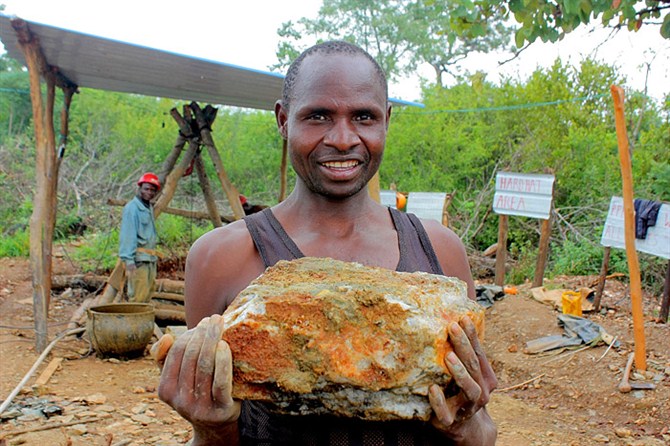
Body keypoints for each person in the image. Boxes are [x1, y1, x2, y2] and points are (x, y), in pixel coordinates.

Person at [158, 41, 497, 445]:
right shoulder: (221, 258)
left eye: (364, 117)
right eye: (318, 116)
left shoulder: (438, 252)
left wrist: (465, 425)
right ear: (284, 120)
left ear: (386, 121)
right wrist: (211, 428)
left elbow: (484, 435)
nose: (342, 138)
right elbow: (211, 433)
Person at [119, 172, 160, 303]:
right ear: (140, 189)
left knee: (148, 294)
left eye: (153, 190)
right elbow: (127, 235)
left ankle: (143, 323)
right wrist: (129, 261)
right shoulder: (132, 208)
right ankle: (134, 323)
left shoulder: (148, 208)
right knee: (138, 298)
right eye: (146, 189)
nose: (149, 192)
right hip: (138, 261)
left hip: (149, 260)